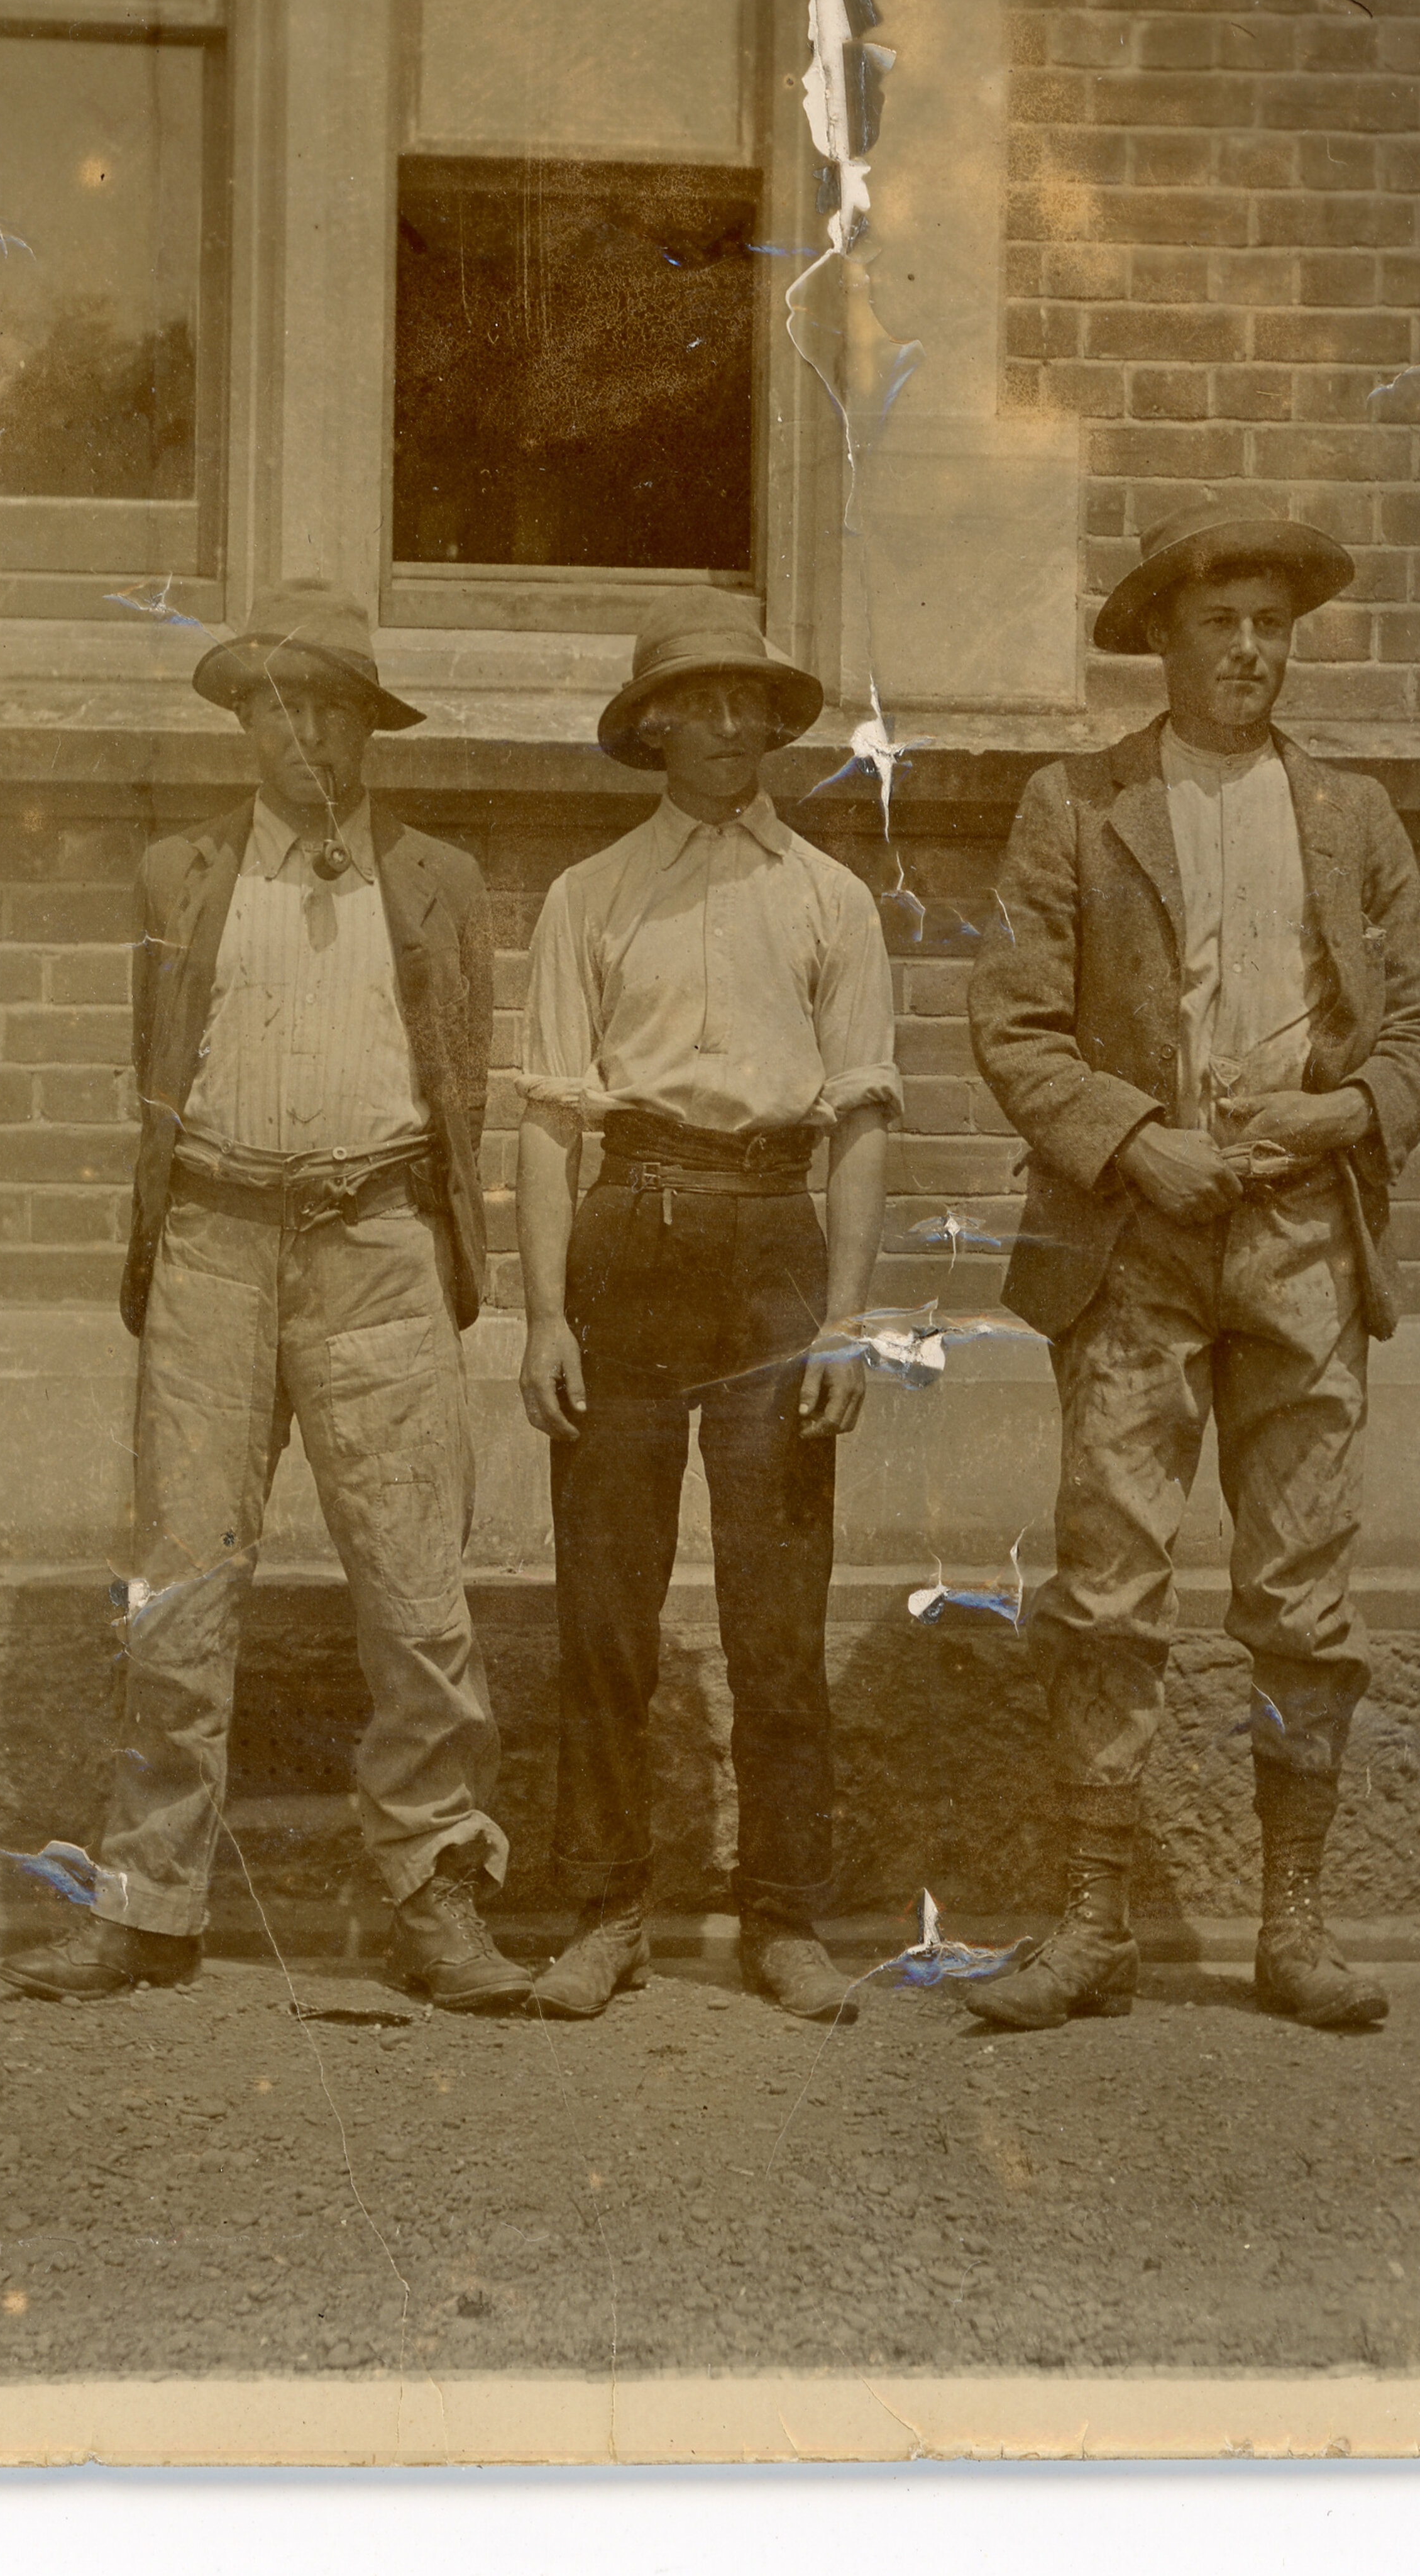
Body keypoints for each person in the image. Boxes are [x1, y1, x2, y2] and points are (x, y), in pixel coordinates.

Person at [962, 495, 1420, 2035]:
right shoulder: (1077, 805)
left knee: (1301, 1593)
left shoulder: (1350, 814)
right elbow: (1013, 1028)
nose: (1249, 652)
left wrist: (1340, 1110)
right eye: (1219, 625)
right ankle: (1092, 1918)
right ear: (1163, 644)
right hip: (1133, 1242)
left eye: (1271, 627)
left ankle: (1291, 1924)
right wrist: (1127, 1141)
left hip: (1303, 1238)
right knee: (1110, 1582)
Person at [4, 582, 531, 2013]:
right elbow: (156, 1073)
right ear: (240, 724)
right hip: (216, 1247)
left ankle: (432, 1893)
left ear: (370, 726)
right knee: (178, 1587)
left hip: (375, 1239)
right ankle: (149, 1903)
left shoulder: (434, 882)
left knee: (418, 1596)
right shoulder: (179, 876)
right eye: (272, 706)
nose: (301, 736)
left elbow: (464, 1084)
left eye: (329, 707)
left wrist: (417, 1232)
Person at [515, 592, 901, 2023]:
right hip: (627, 1241)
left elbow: (861, 1116)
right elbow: (549, 1122)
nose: (730, 725)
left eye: (752, 700)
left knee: (775, 1608)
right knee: (604, 1606)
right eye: (702, 701)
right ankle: (602, 1912)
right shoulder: (589, 896)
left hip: (771, 1249)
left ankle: (783, 1918)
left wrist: (847, 1318)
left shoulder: (826, 899)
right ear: (654, 724)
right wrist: (544, 1316)